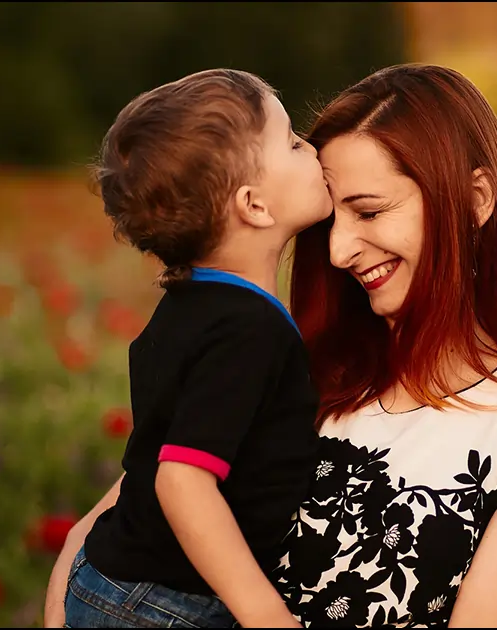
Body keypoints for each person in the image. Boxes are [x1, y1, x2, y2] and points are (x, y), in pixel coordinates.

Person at [271, 63, 497, 627]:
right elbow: (119, 532)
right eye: (326, 223)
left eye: (369, 211)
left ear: (475, 198)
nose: (337, 251)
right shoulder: (295, 376)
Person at [46, 68, 333, 628]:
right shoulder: (248, 331)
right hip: (163, 605)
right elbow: (181, 479)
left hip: (117, 580)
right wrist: (265, 615)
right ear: (254, 205)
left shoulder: (188, 307)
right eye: (295, 143)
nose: (313, 148)